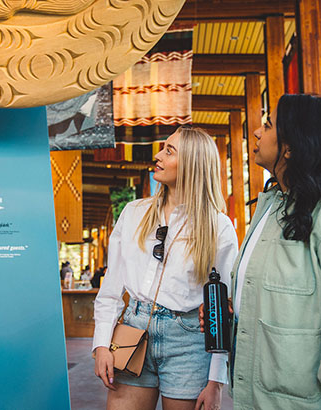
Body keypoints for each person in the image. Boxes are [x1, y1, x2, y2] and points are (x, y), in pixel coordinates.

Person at [93, 127, 238, 410]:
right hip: (133, 331)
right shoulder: (134, 212)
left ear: (192, 164)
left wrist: (216, 382)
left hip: (189, 342)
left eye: (169, 151)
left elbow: (222, 312)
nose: (158, 156)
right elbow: (111, 288)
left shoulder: (219, 226)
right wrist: (101, 343)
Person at [199, 94, 321, 409]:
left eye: (267, 126)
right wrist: (234, 310)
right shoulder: (268, 204)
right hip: (251, 392)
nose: (256, 131)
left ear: (291, 147)